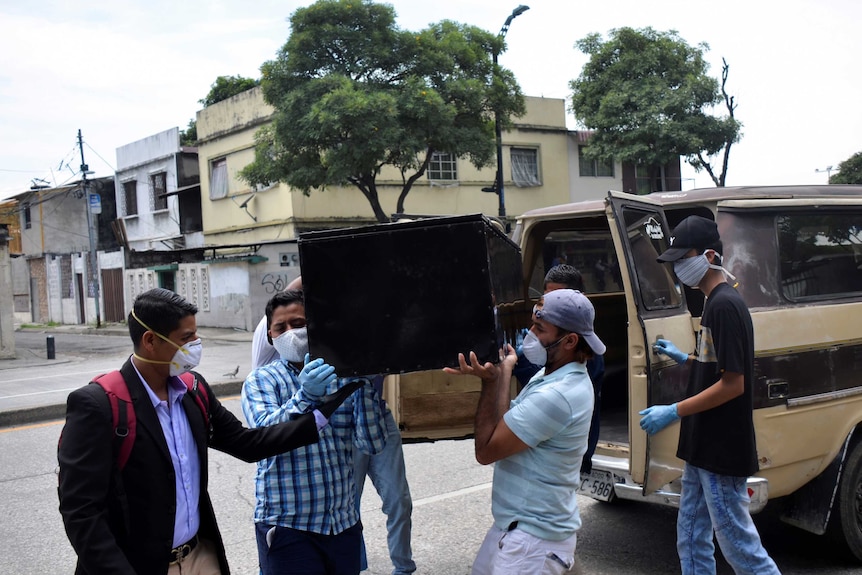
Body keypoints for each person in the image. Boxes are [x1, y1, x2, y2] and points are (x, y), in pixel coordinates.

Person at [57, 288, 347, 575]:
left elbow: (247, 444)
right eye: (186, 338)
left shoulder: (192, 390)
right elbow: (81, 513)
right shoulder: (98, 405)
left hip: (199, 556)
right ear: (150, 341)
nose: (196, 344)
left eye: (195, 334)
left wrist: (319, 415)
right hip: (136, 566)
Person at [639, 215, 781, 575]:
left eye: (682, 259)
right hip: (701, 446)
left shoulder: (724, 305)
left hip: (720, 448)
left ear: (710, 256)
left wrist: (674, 410)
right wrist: (683, 357)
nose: (678, 269)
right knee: (690, 536)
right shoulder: (713, 304)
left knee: (740, 548)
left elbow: (734, 383)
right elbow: (716, 366)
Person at [250, 277, 416, 575]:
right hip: (289, 525)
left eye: (298, 323)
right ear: (271, 337)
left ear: (313, 326)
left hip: (341, 525)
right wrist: (305, 397)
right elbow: (266, 435)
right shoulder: (262, 380)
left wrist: (362, 386)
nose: (291, 333)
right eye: (281, 328)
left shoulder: (339, 376)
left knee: (398, 501)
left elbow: (371, 443)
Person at [446, 289, 606, 574]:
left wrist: (489, 383)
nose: (530, 333)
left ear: (570, 341)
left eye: (540, 328)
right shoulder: (550, 375)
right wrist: (503, 371)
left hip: (534, 539)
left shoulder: (558, 395)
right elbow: (508, 422)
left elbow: (486, 450)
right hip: (519, 527)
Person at [512, 264, 605, 474]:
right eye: (547, 298)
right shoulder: (557, 348)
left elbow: (548, 391)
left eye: (559, 298)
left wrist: (517, 365)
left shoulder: (582, 356)